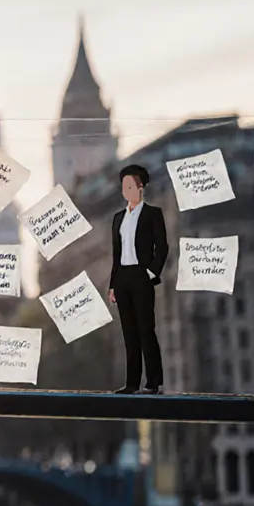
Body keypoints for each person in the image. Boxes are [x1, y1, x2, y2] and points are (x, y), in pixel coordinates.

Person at [108, 164, 168, 395]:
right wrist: (113, 284)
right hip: (122, 277)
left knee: (146, 330)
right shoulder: (117, 218)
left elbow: (162, 247)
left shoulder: (153, 214)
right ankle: (132, 383)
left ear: (141, 187)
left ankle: (153, 382)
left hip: (141, 275)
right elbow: (116, 253)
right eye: (124, 186)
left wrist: (151, 273)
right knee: (129, 333)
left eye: (130, 185)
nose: (126, 190)